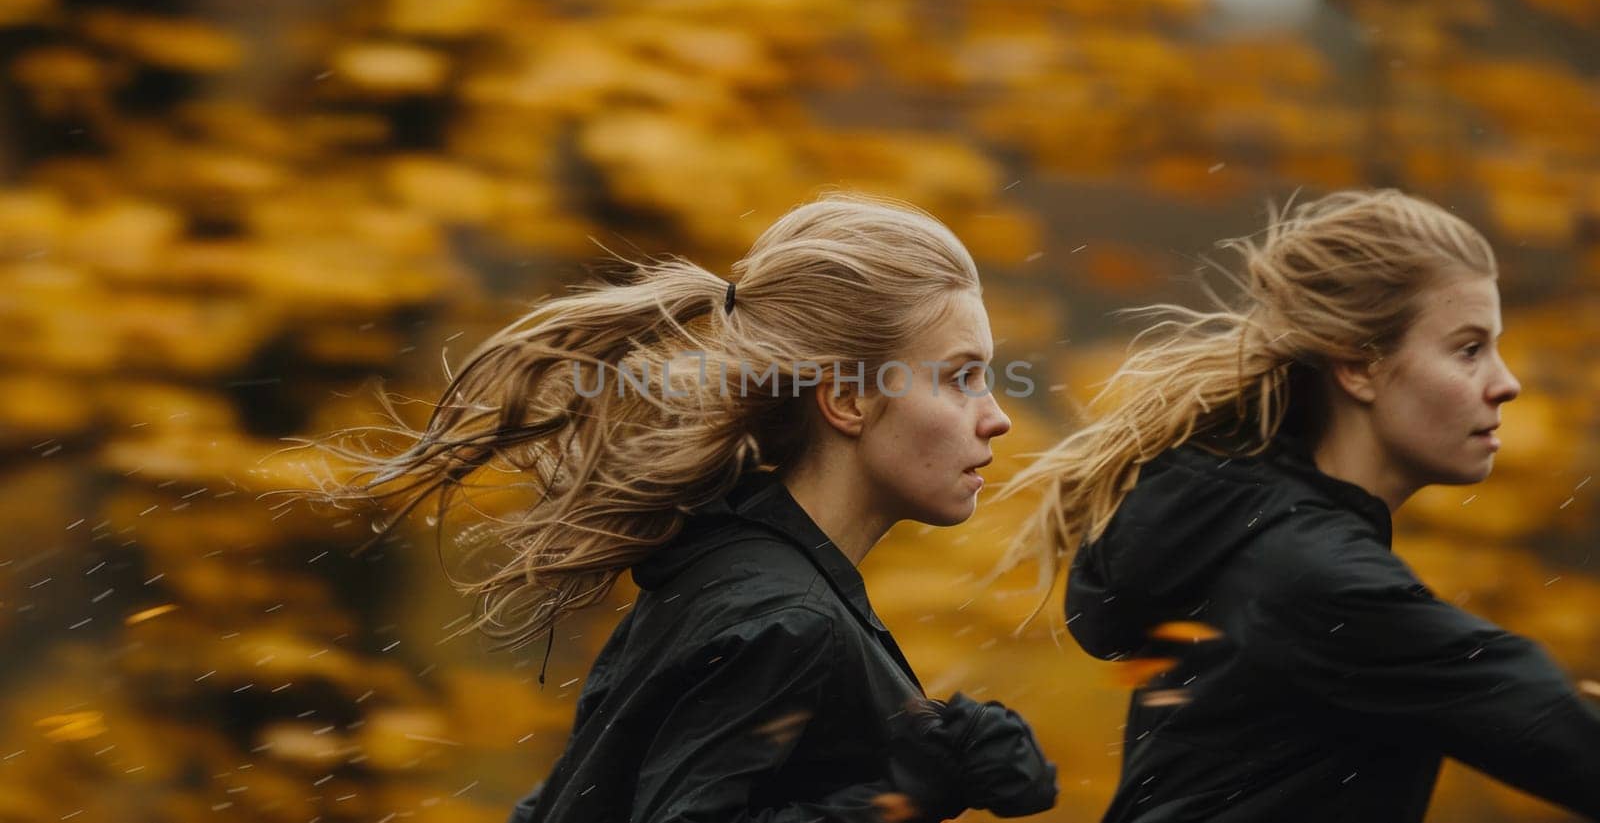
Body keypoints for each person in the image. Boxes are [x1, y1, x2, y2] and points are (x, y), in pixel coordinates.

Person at [319, 196, 1058, 822]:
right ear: (847, 398)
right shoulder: (783, 617)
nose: (995, 417)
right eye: (961, 377)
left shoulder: (726, 568)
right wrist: (917, 783)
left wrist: (926, 758)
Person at [1004, 189, 1600, 821]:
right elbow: (1560, 739)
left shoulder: (1247, 539)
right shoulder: (1315, 579)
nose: (1506, 383)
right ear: (1358, 366)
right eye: (1469, 348)